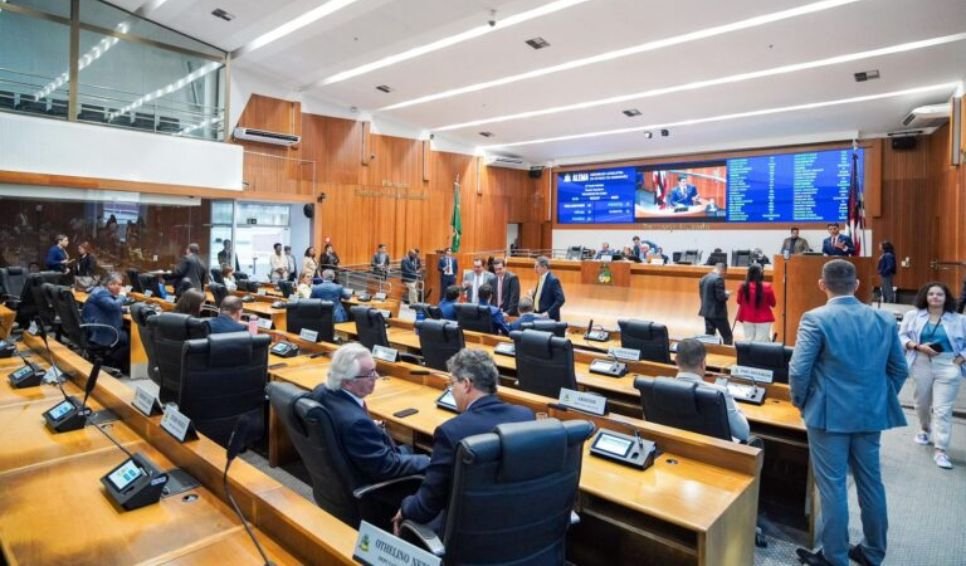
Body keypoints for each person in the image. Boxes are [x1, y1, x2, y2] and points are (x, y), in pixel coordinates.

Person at [789, 259, 908, 566]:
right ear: (856, 285)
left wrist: (802, 402)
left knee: (833, 487)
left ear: (822, 285)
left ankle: (835, 557)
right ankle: (873, 552)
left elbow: (799, 371)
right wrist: (879, 399)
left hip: (827, 416)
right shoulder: (884, 319)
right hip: (869, 414)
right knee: (871, 483)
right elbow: (899, 369)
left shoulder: (815, 318)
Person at [393, 349, 533, 534]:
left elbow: (425, 507)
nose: (450, 390)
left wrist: (405, 508)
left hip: (470, 534)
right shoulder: (526, 416)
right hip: (519, 525)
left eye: (452, 384)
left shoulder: (451, 432)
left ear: (466, 384)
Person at [309, 343, 430, 485]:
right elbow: (387, 466)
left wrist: (369, 427)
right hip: (373, 482)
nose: (376, 377)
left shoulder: (321, 391)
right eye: (370, 373)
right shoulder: (356, 423)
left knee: (409, 449)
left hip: (352, 465)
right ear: (348, 382)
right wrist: (428, 460)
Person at [897, 282, 965, 470]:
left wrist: (960, 359)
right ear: (925, 297)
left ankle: (941, 449)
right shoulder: (913, 316)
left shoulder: (959, 319)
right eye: (931, 294)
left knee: (943, 409)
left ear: (946, 298)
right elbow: (901, 337)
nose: (935, 297)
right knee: (921, 403)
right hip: (920, 361)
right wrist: (916, 346)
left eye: (940, 294)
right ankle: (925, 429)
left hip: (948, 364)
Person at [674, 339, 749, 441]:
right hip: (712, 449)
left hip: (676, 446)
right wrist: (733, 403)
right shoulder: (720, 393)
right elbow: (743, 433)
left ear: (676, 360)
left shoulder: (660, 387)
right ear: (703, 364)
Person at [81, 272, 129, 372]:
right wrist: (122, 296)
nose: (120, 287)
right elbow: (113, 306)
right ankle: (110, 361)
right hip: (102, 331)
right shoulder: (102, 293)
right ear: (110, 284)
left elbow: (106, 306)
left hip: (95, 328)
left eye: (120, 285)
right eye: (118, 284)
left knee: (126, 332)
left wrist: (125, 309)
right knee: (130, 339)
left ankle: (108, 359)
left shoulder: (100, 291)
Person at [735, 263, 776, 342]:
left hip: (747, 318)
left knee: (748, 341)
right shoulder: (767, 287)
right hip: (763, 319)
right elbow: (773, 304)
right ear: (761, 274)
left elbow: (739, 301)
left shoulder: (743, 286)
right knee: (760, 344)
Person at [698, 263, 733, 344]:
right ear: (723, 270)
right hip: (718, 313)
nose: (725, 275)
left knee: (709, 336)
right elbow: (721, 297)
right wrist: (726, 294)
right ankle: (726, 352)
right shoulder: (718, 279)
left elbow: (701, 295)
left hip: (706, 312)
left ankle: (710, 350)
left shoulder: (703, 278)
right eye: (725, 273)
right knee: (727, 336)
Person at [532, 256, 565, 321]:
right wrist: (534, 295)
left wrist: (548, 312)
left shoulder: (553, 280)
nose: (534, 269)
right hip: (538, 314)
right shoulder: (541, 278)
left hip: (548, 318)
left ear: (544, 267)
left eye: (537, 266)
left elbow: (561, 300)